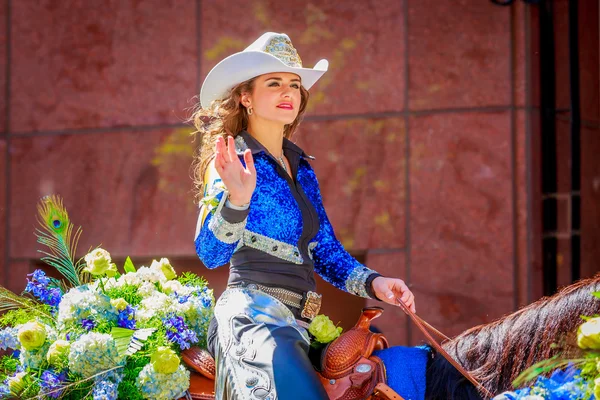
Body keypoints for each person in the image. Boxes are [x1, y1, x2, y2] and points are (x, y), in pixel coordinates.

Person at [191, 32, 416, 400]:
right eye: (274, 83)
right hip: (252, 322)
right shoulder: (230, 159)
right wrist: (237, 200)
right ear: (245, 97)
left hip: (300, 327)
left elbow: (323, 248)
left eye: (294, 85)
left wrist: (375, 282)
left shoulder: (301, 167)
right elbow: (210, 254)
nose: (288, 93)